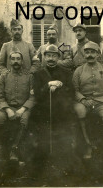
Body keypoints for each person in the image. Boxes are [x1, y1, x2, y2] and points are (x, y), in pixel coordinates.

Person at [73, 41, 103, 159]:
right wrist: (83, 100)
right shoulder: (78, 70)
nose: (89, 55)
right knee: (80, 112)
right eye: (87, 52)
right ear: (84, 55)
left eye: (92, 52)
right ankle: (87, 145)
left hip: (101, 101)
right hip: (83, 102)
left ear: (98, 55)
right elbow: (74, 90)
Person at [32, 44, 75, 172]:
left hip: (62, 111)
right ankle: (42, 163)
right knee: (43, 139)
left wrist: (60, 85)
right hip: (44, 112)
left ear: (58, 58)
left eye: (54, 56)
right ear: (44, 57)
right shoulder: (38, 74)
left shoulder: (66, 73)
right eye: (48, 56)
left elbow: (71, 93)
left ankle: (62, 163)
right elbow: (38, 95)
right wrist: (48, 84)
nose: (51, 59)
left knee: (63, 139)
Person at [0, 46, 35, 161]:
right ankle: (0, 148)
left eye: (18, 59)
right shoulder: (3, 77)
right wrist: (7, 109)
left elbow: (33, 97)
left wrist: (22, 109)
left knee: (24, 120)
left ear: (22, 61)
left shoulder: (29, 77)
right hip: (6, 107)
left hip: (23, 108)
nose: (16, 61)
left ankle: (14, 149)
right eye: (13, 59)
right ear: (10, 61)